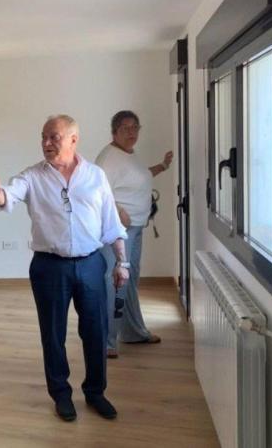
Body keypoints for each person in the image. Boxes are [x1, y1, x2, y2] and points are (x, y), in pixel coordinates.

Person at [0, 115, 128, 422]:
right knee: (53, 334)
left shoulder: (95, 175)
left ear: (73, 139)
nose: (46, 143)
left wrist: (122, 262)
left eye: (54, 137)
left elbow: (111, 223)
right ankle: (61, 395)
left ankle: (95, 392)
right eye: (43, 137)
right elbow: (9, 195)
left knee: (96, 331)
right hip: (49, 267)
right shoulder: (32, 176)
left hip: (91, 264)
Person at [95, 110, 173, 359]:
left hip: (136, 227)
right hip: (118, 231)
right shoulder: (108, 159)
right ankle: (106, 342)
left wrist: (163, 166)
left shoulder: (129, 154)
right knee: (116, 282)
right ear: (114, 132)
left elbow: (140, 177)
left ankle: (133, 332)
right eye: (125, 128)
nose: (131, 132)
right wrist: (118, 210)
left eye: (135, 127)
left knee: (129, 281)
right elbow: (97, 192)